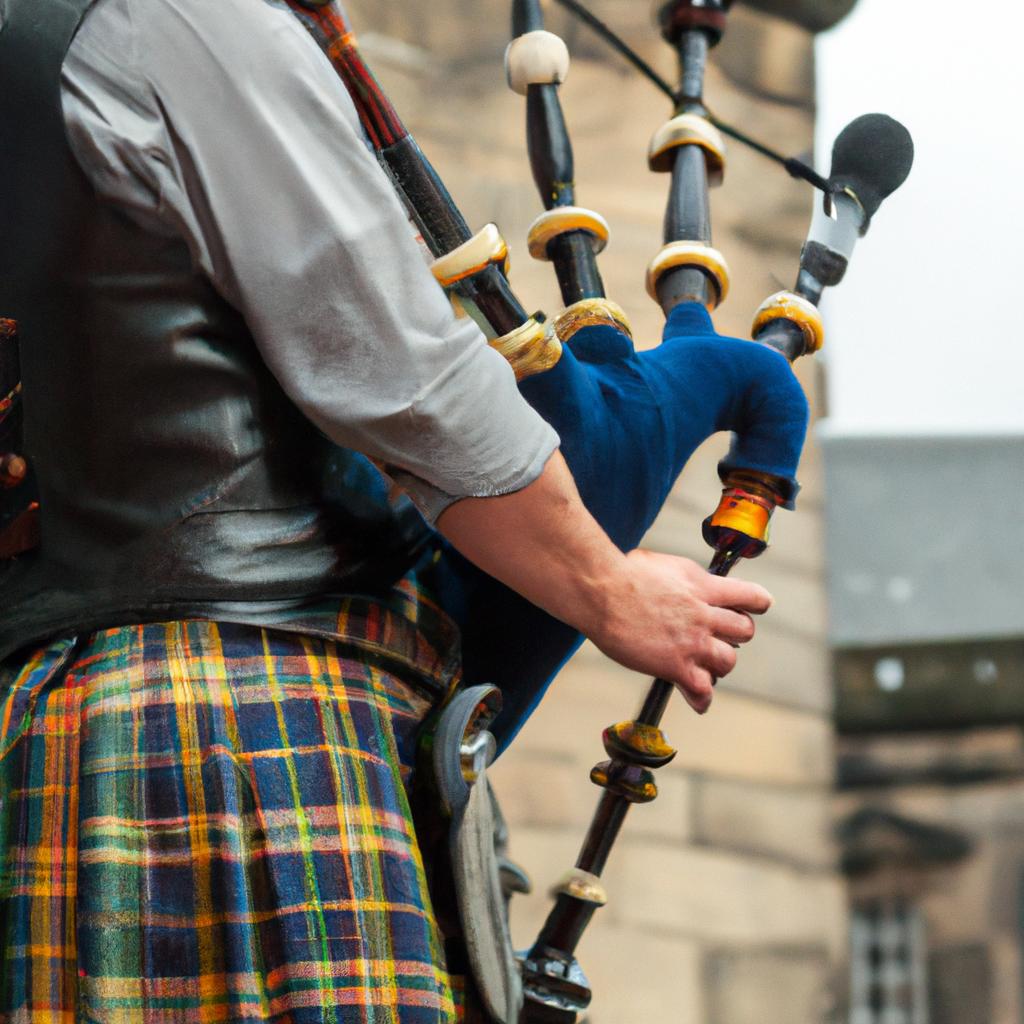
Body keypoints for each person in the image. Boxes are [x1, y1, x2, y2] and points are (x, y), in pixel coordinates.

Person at [0, 0, 772, 1019]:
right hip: (241, 720)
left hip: (44, 727)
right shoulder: (180, 18)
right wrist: (607, 584)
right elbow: (401, 375)